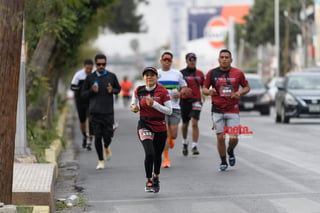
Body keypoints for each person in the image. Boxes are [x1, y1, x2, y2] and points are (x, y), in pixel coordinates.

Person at [202, 49, 250, 171]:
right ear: (219, 60)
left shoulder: (238, 73)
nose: (224, 59)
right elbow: (204, 89)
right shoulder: (212, 73)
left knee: (234, 138)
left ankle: (230, 150)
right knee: (220, 137)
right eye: (222, 57)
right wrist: (209, 92)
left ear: (231, 60)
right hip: (217, 110)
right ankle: (223, 161)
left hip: (232, 110)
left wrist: (239, 92)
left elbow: (247, 87)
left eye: (226, 57)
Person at [131, 66, 172, 193]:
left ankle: (156, 177)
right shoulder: (139, 90)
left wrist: (154, 104)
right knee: (149, 153)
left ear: (156, 77)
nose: (149, 77)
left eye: (152, 75)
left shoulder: (163, 91)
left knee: (157, 155)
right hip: (144, 124)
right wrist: (134, 108)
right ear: (143, 78)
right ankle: (148, 179)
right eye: (146, 75)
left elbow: (169, 111)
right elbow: (134, 105)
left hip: (159, 126)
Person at [81, 53, 121, 170]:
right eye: (99, 64)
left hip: (108, 112)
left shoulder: (111, 76)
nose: (101, 66)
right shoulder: (90, 78)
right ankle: (100, 160)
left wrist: (112, 90)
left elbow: (118, 89)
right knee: (97, 136)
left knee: (107, 136)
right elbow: (83, 94)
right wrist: (92, 91)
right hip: (94, 112)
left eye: (103, 64)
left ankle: (107, 147)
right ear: (95, 64)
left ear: (106, 64)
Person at [157, 51, 191, 168]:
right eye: (164, 60)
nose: (166, 62)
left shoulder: (177, 74)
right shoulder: (156, 74)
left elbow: (185, 87)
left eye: (169, 60)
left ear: (171, 61)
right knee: (165, 134)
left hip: (175, 107)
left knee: (174, 134)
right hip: (161, 108)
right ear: (161, 61)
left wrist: (180, 93)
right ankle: (166, 159)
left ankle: (171, 140)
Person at [180, 53, 205, 156]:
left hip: (196, 101)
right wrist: (182, 91)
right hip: (184, 101)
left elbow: (204, 86)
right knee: (185, 124)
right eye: (190, 59)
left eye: (194, 59)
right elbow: (176, 87)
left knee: (194, 123)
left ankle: (194, 146)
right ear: (186, 61)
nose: (192, 61)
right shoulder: (181, 73)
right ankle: (185, 142)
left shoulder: (200, 73)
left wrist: (203, 93)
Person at [70, 59, 94, 150]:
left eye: (91, 69)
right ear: (84, 67)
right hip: (80, 100)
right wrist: (82, 88)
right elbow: (72, 86)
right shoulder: (79, 75)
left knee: (91, 119)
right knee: (82, 120)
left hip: (90, 101)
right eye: (87, 68)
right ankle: (84, 136)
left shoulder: (93, 75)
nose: (89, 70)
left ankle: (89, 140)